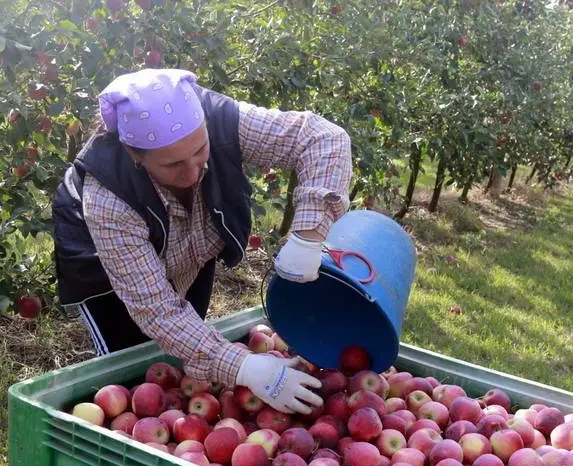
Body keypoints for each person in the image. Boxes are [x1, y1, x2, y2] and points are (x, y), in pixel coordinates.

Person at [52, 68, 352, 415]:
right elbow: (156, 308)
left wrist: (309, 236)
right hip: (108, 269)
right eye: (174, 165)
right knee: (132, 374)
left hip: (191, 238)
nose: (194, 173)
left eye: (201, 151)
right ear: (137, 157)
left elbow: (323, 139)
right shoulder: (108, 200)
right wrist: (244, 367)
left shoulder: (220, 120)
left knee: (189, 344)